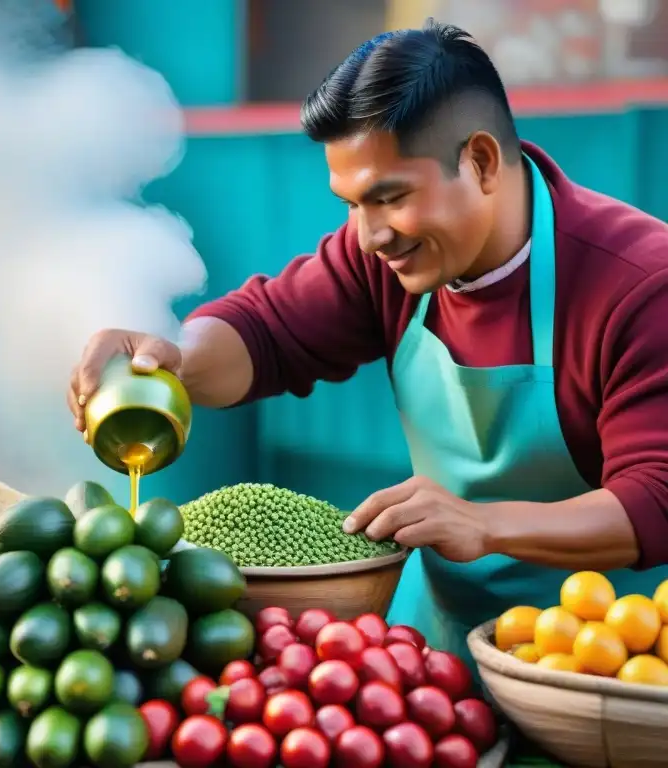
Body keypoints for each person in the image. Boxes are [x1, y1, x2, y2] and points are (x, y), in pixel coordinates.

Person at [67, 20, 668, 665]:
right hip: (433, 654)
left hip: (600, 660)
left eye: (390, 197)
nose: (369, 234)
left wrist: (483, 523)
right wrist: (173, 361)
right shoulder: (384, 261)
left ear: (483, 162)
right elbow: (264, 331)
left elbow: (654, 500)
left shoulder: (640, 284)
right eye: (352, 204)